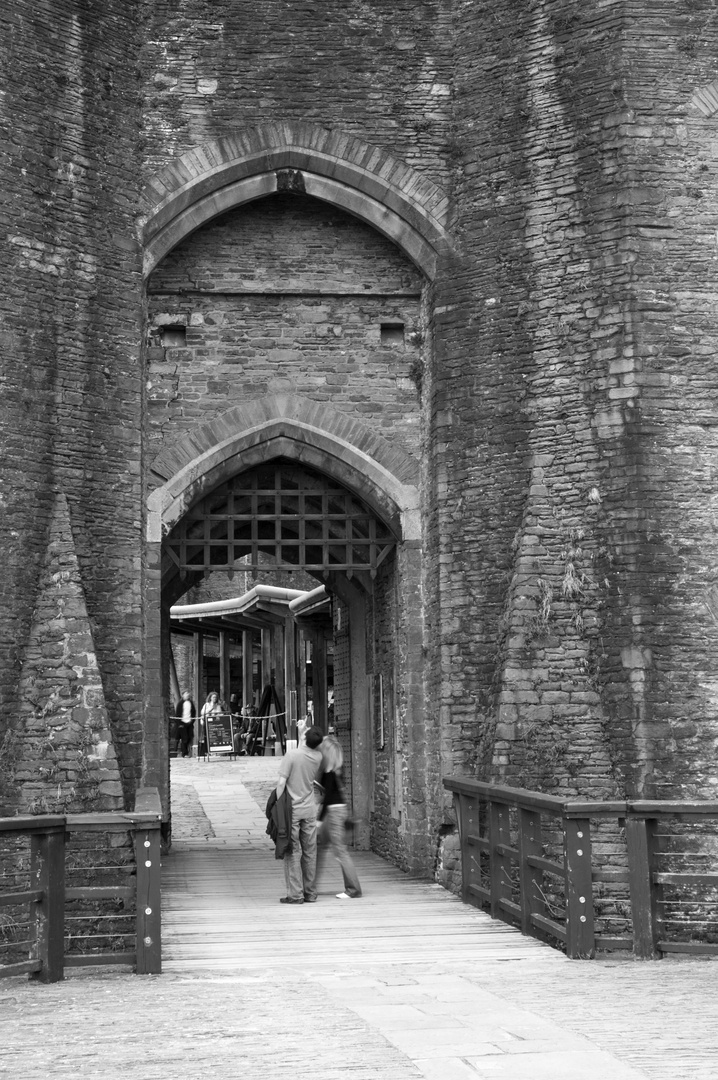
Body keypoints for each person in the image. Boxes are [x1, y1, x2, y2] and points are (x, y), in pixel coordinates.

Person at [274, 725, 324, 904]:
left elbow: (281, 783)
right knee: (310, 851)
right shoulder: (318, 756)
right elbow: (310, 741)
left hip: (292, 811)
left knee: (293, 851)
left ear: (304, 738)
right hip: (310, 809)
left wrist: (278, 806)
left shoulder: (292, 755)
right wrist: (305, 732)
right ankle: (310, 892)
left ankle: (296, 894)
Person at [316, 735, 362, 899]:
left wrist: (319, 820)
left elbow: (327, 799)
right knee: (320, 848)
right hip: (337, 811)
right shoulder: (337, 771)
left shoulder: (329, 774)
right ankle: (310, 886)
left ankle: (353, 889)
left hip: (332, 814)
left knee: (340, 852)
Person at [175, 691, 197, 758]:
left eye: (188, 693)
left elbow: (193, 712)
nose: (188, 695)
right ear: (183, 695)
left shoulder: (190, 703)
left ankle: (187, 751)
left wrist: (192, 721)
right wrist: (179, 723)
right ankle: (184, 753)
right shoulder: (180, 703)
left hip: (189, 722)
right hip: (182, 723)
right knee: (184, 738)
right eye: (186, 694)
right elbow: (177, 714)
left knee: (190, 737)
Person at [199, 691, 221, 756]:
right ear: (210, 698)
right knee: (207, 737)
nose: (215, 698)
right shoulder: (206, 705)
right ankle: (207, 751)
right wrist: (211, 709)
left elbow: (219, 713)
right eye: (213, 697)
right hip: (207, 723)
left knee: (215, 737)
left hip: (215, 723)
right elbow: (203, 713)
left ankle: (215, 751)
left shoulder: (218, 706)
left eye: (216, 697)